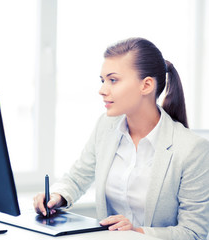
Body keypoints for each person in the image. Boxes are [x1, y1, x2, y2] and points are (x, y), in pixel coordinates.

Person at [33, 37, 209, 240]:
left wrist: (137, 232)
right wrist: (57, 196)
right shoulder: (106, 126)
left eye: (113, 80)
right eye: (102, 80)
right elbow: (77, 177)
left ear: (146, 85)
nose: (102, 90)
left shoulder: (193, 150)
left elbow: (193, 232)